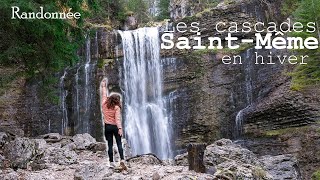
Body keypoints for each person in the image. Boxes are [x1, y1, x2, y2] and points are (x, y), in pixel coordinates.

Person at [101, 80, 125, 169]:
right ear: (116, 101)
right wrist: (120, 128)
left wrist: (103, 86)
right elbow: (118, 119)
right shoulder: (116, 107)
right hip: (115, 127)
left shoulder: (104, 105)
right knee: (119, 143)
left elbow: (104, 95)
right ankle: (122, 160)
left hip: (107, 127)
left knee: (110, 145)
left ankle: (111, 162)